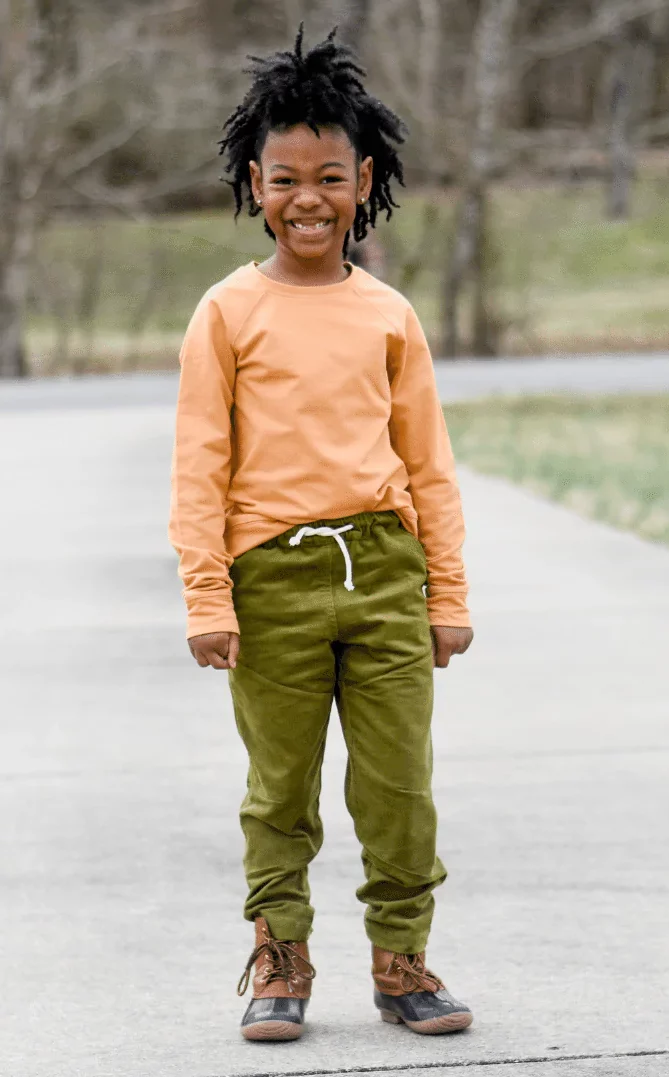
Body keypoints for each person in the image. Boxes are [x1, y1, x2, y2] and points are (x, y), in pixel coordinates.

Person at [168, 24, 474, 1043]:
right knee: (279, 792)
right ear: (256, 182)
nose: (308, 197)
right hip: (272, 582)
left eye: (330, 177)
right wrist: (208, 595)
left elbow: (428, 463)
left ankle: (403, 960)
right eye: (286, 177)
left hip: (384, 572)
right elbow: (201, 463)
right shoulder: (226, 313)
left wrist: (447, 594)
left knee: (399, 788)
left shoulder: (389, 315)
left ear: (364, 181)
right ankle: (280, 957)